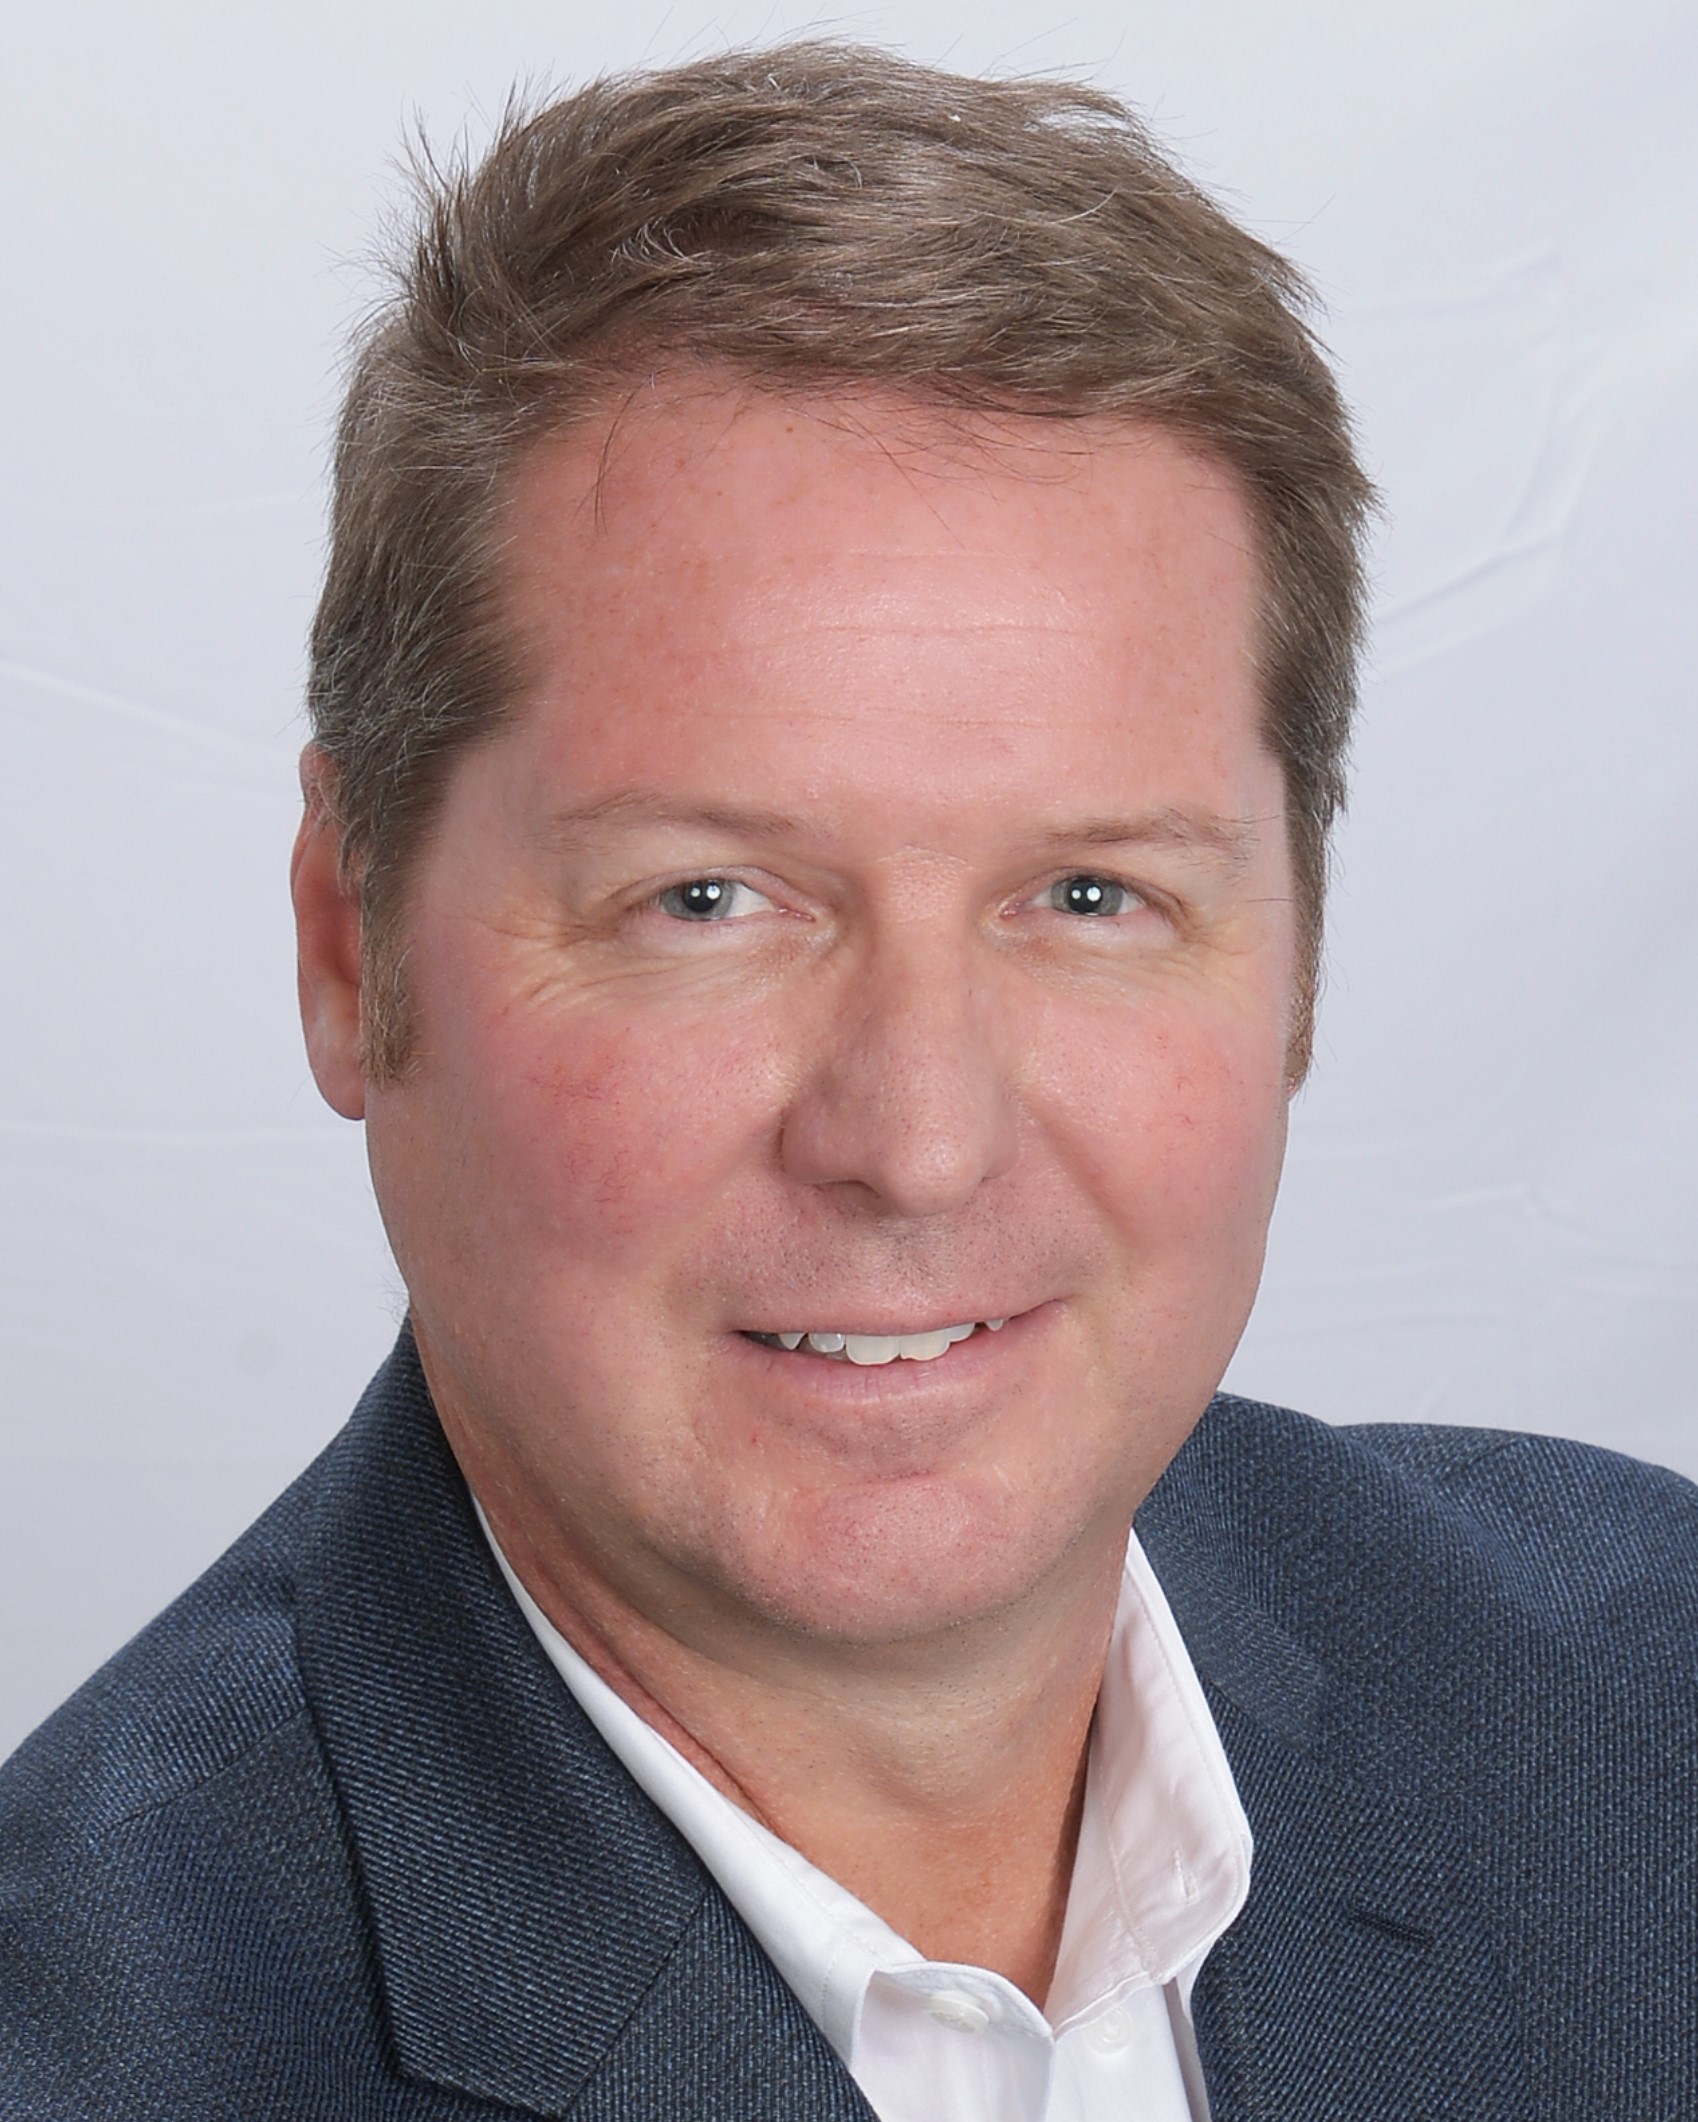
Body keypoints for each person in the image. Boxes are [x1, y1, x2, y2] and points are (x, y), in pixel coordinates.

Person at [2, 40, 1694, 2122]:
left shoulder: (1651, 1712)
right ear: (352, 952)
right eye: (706, 896)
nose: (916, 1136)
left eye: (1090, 889)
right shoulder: (95, 2042)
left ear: (1303, 950)